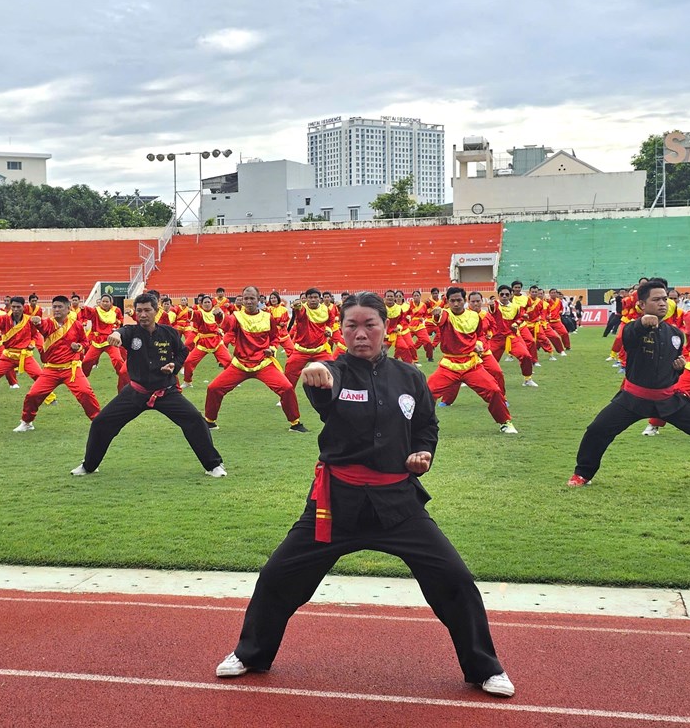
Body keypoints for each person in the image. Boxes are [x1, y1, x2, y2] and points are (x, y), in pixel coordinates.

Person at [213, 292, 514, 698]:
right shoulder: (334, 372)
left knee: (455, 579)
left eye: (369, 325)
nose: (360, 334)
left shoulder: (410, 377)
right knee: (278, 576)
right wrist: (317, 371)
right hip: (336, 504)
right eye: (351, 326)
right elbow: (325, 384)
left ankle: (484, 668)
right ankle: (251, 654)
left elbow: (426, 426)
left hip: (398, 504)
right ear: (340, 331)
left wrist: (424, 452)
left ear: (385, 328)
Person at [71, 293, 225, 477]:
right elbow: (121, 332)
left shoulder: (169, 333)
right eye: (139, 311)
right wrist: (115, 334)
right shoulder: (131, 332)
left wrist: (174, 365)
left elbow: (182, 352)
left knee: (196, 420)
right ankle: (89, 466)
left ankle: (213, 465)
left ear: (156, 310)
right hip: (136, 392)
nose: (143, 315)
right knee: (101, 423)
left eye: (147, 310)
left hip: (166, 392)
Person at [569, 280, 690, 485]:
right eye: (656, 299)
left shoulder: (675, 335)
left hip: (668, 400)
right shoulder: (633, 329)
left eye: (664, 299)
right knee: (597, 430)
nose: (662, 303)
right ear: (642, 305)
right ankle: (582, 474)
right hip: (633, 399)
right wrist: (642, 323)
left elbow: (671, 370)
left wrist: (678, 368)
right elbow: (629, 336)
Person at [204, 285, 307, 433]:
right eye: (246, 298)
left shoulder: (267, 317)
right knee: (213, 388)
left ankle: (295, 423)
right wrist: (219, 315)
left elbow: (274, 338)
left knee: (287, 388)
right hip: (240, 364)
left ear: (258, 299)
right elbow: (227, 325)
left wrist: (272, 349)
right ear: (242, 300)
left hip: (263, 363)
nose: (249, 301)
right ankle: (209, 422)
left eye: (252, 298)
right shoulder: (237, 316)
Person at [428, 287, 517, 433]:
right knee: (428, 392)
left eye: (459, 300)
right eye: (452, 301)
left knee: (494, 390)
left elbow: (481, 334)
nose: (456, 304)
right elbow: (438, 318)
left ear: (464, 300)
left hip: (472, 364)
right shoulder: (445, 314)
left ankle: (505, 422)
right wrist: (437, 314)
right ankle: (422, 425)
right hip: (449, 365)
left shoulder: (475, 316)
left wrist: (479, 343)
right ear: (447, 301)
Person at [14, 295, 100, 432]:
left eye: (60, 307)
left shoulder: (76, 324)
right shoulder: (48, 323)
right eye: (54, 307)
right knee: (33, 395)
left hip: (71, 368)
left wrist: (79, 347)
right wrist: (37, 321)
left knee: (85, 392)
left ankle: (98, 422)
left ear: (68, 309)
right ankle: (26, 422)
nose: (57, 309)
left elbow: (85, 342)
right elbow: (42, 325)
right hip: (51, 369)